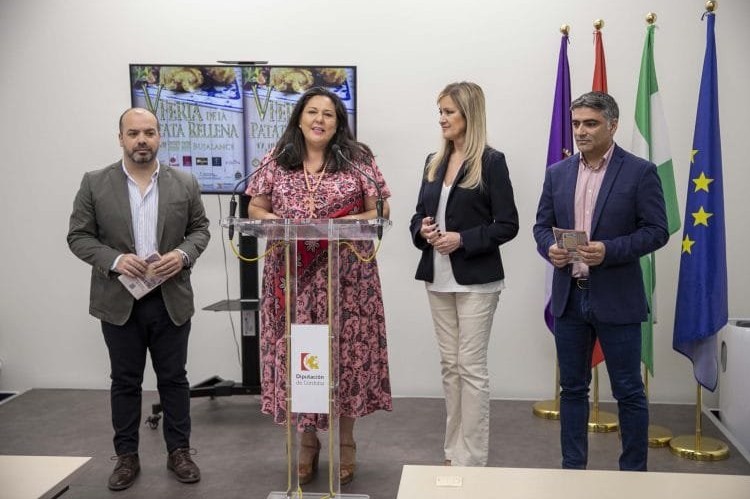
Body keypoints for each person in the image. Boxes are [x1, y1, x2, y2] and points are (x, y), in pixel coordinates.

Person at [246, 86, 392, 485]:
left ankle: (346, 443)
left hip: (347, 280)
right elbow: (255, 206)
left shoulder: (358, 158)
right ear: (299, 118)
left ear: (338, 122)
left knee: (344, 357)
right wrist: (280, 222)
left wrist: (339, 224)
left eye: (328, 114)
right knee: (302, 356)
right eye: (312, 112)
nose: (319, 120)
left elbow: (380, 208)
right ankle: (307, 444)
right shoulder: (278, 158)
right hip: (292, 278)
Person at [67, 107, 210, 491]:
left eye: (149, 132)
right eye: (133, 133)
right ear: (121, 138)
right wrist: (114, 260)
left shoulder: (185, 182)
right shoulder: (95, 183)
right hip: (119, 301)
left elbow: (200, 230)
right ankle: (126, 456)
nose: (142, 140)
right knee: (125, 381)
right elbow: (78, 236)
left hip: (170, 298)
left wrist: (182, 255)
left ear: (159, 136)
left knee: (174, 380)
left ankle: (179, 452)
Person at [533, 91, 669, 471]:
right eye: (576, 123)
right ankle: (573, 472)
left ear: (613, 125)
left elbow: (657, 231)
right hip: (569, 298)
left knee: (628, 391)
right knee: (572, 390)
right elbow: (541, 226)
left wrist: (609, 250)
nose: (581, 131)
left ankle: (633, 475)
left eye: (590, 123)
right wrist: (550, 248)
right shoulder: (558, 173)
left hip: (617, 298)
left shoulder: (640, 172)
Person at [409, 82, 519, 467]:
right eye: (439, 111)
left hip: (477, 282)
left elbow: (508, 224)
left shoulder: (492, 162)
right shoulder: (433, 161)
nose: (442, 119)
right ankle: (452, 451)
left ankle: (470, 460)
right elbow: (417, 216)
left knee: (470, 368)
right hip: (437, 278)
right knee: (450, 368)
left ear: (469, 114)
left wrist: (463, 239)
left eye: (449, 112)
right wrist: (423, 231)